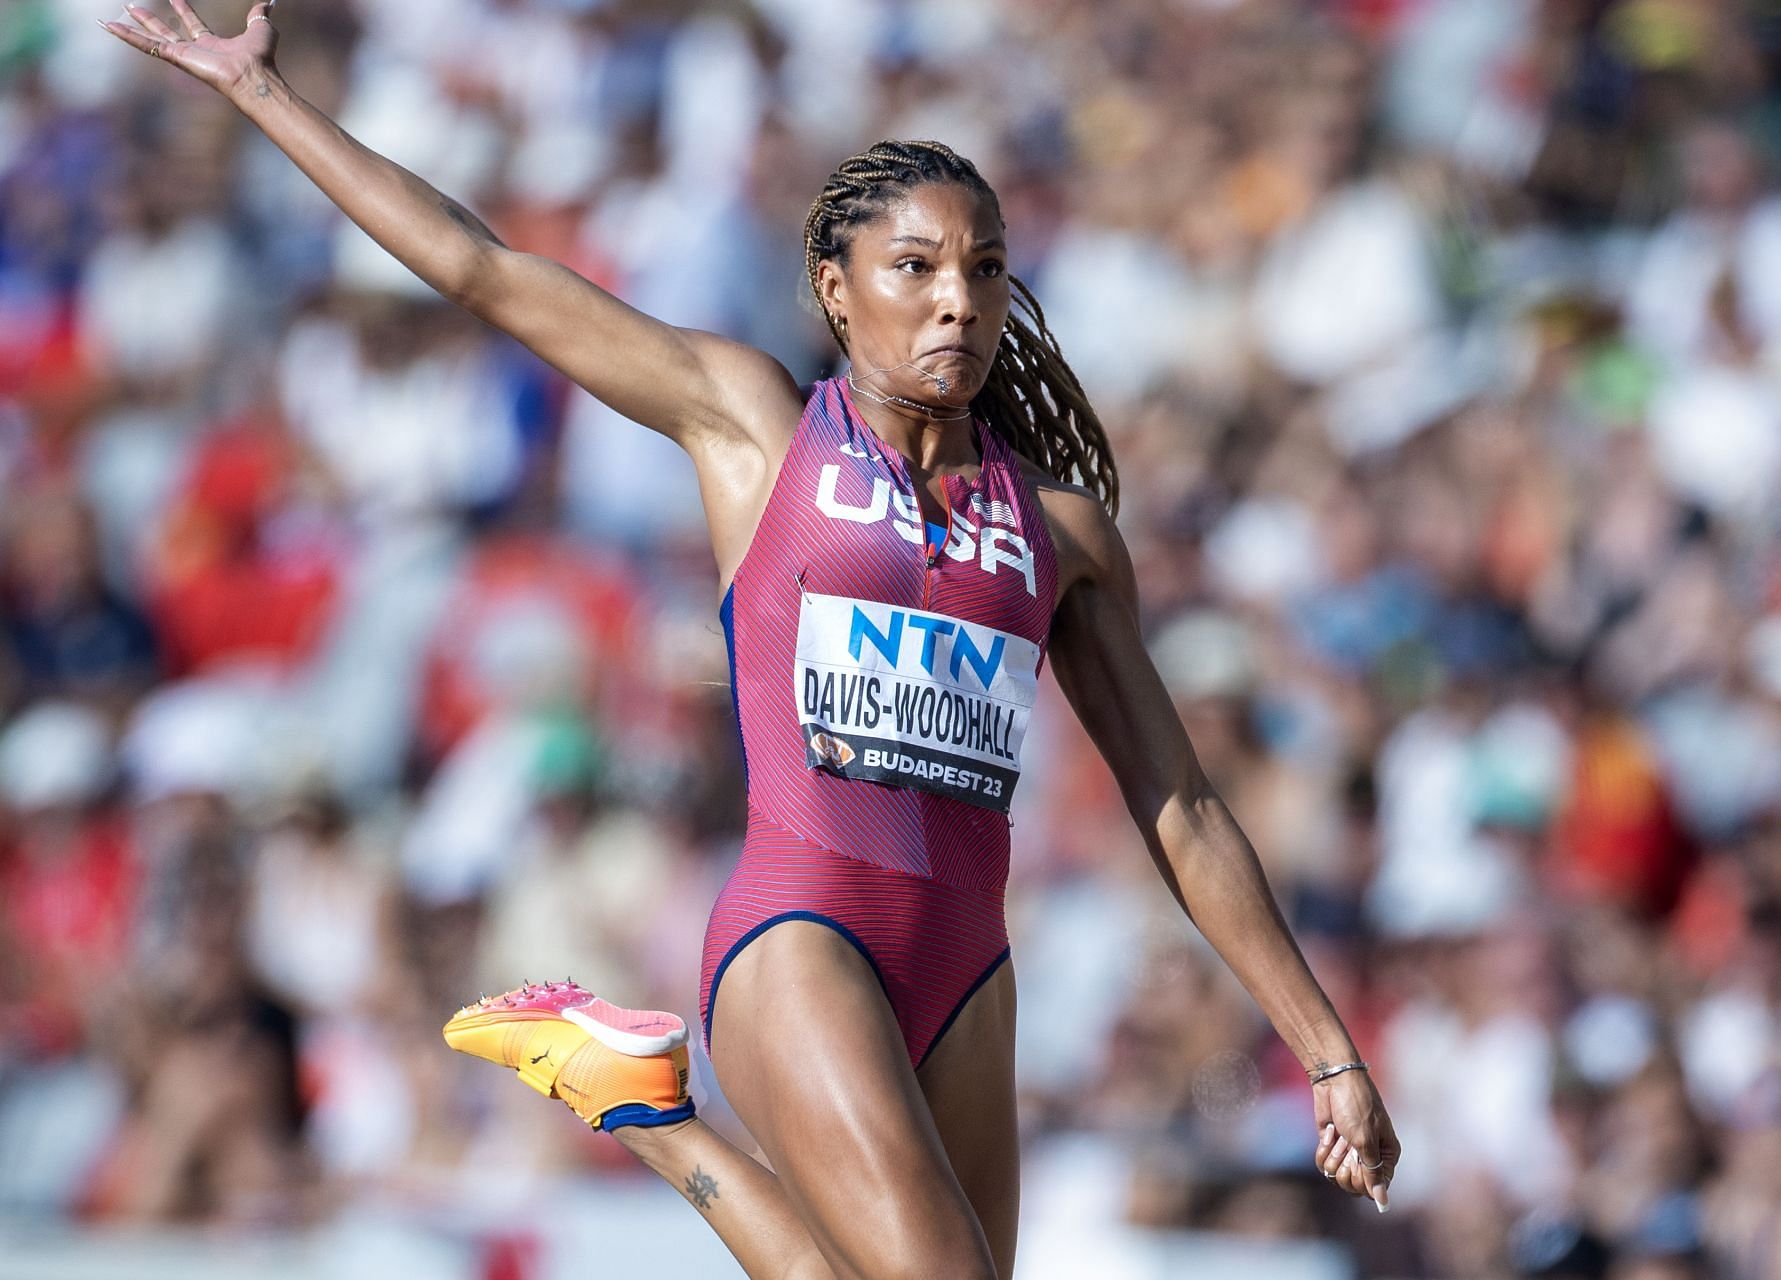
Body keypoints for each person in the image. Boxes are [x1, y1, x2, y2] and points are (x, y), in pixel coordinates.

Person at [101, 4, 1401, 1275]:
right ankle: (672, 1137)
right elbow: (481, 269)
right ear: (837, 290)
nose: (956, 300)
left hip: (970, 967)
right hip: (805, 928)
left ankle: (643, 1100)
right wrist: (264, 95)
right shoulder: (756, 428)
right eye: (916, 268)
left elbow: (1181, 811)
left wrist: (1326, 1048)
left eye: (984, 268)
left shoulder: (1062, 533)